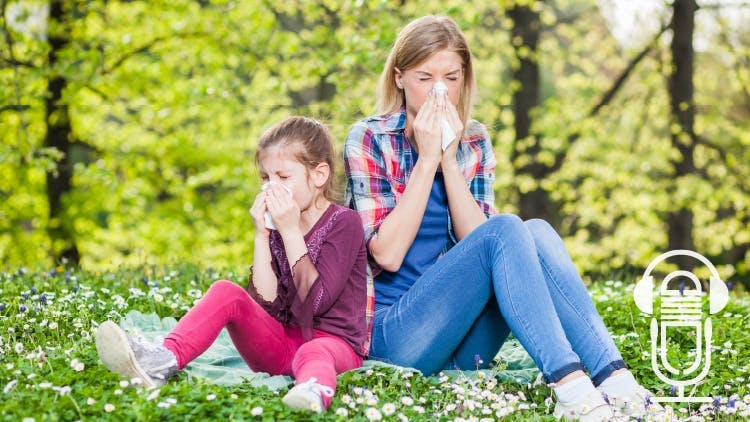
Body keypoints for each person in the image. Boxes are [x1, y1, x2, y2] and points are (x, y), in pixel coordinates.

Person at [343, 15, 660, 421]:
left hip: (461, 341)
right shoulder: (370, 138)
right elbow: (385, 254)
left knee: (536, 232)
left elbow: (489, 245)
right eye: (425, 78)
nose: (439, 91)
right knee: (509, 227)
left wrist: (450, 160)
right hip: (397, 339)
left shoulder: (473, 139)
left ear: (464, 79)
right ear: (400, 78)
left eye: (451, 78)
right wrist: (426, 160)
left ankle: (616, 381)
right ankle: (569, 384)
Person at [96, 116, 369, 413]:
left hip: (334, 347)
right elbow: (265, 306)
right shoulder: (278, 227)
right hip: (281, 348)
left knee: (315, 351)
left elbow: (316, 302)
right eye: (266, 178)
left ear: (319, 176)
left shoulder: (344, 222)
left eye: (283, 177)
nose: (271, 188)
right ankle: (162, 361)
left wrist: (290, 230)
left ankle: (312, 391)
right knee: (226, 291)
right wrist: (262, 235)